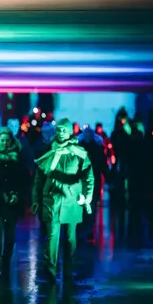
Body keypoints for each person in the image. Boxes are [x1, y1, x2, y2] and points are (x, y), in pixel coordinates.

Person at [32, 118, 94, 283]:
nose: (60, 133)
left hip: (71, 200)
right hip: (52, 199)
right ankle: (50, 270)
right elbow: (39, 177)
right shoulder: (49, 150)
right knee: (52, 236)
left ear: (69, 132)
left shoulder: (78, 152)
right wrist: (36, 199)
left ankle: (68, 270)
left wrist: (87, 196)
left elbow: (88, 174)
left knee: (70, 238)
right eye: (58, 130)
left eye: (64, 130)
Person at [0, 128, 28, 277]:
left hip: (12, 201)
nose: (4, 143)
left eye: (7, 140)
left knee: (9, 233)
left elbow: (22, 179)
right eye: (2, 140)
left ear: (12, 142)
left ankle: (6, 260)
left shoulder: (17, 159)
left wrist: (16, 194)